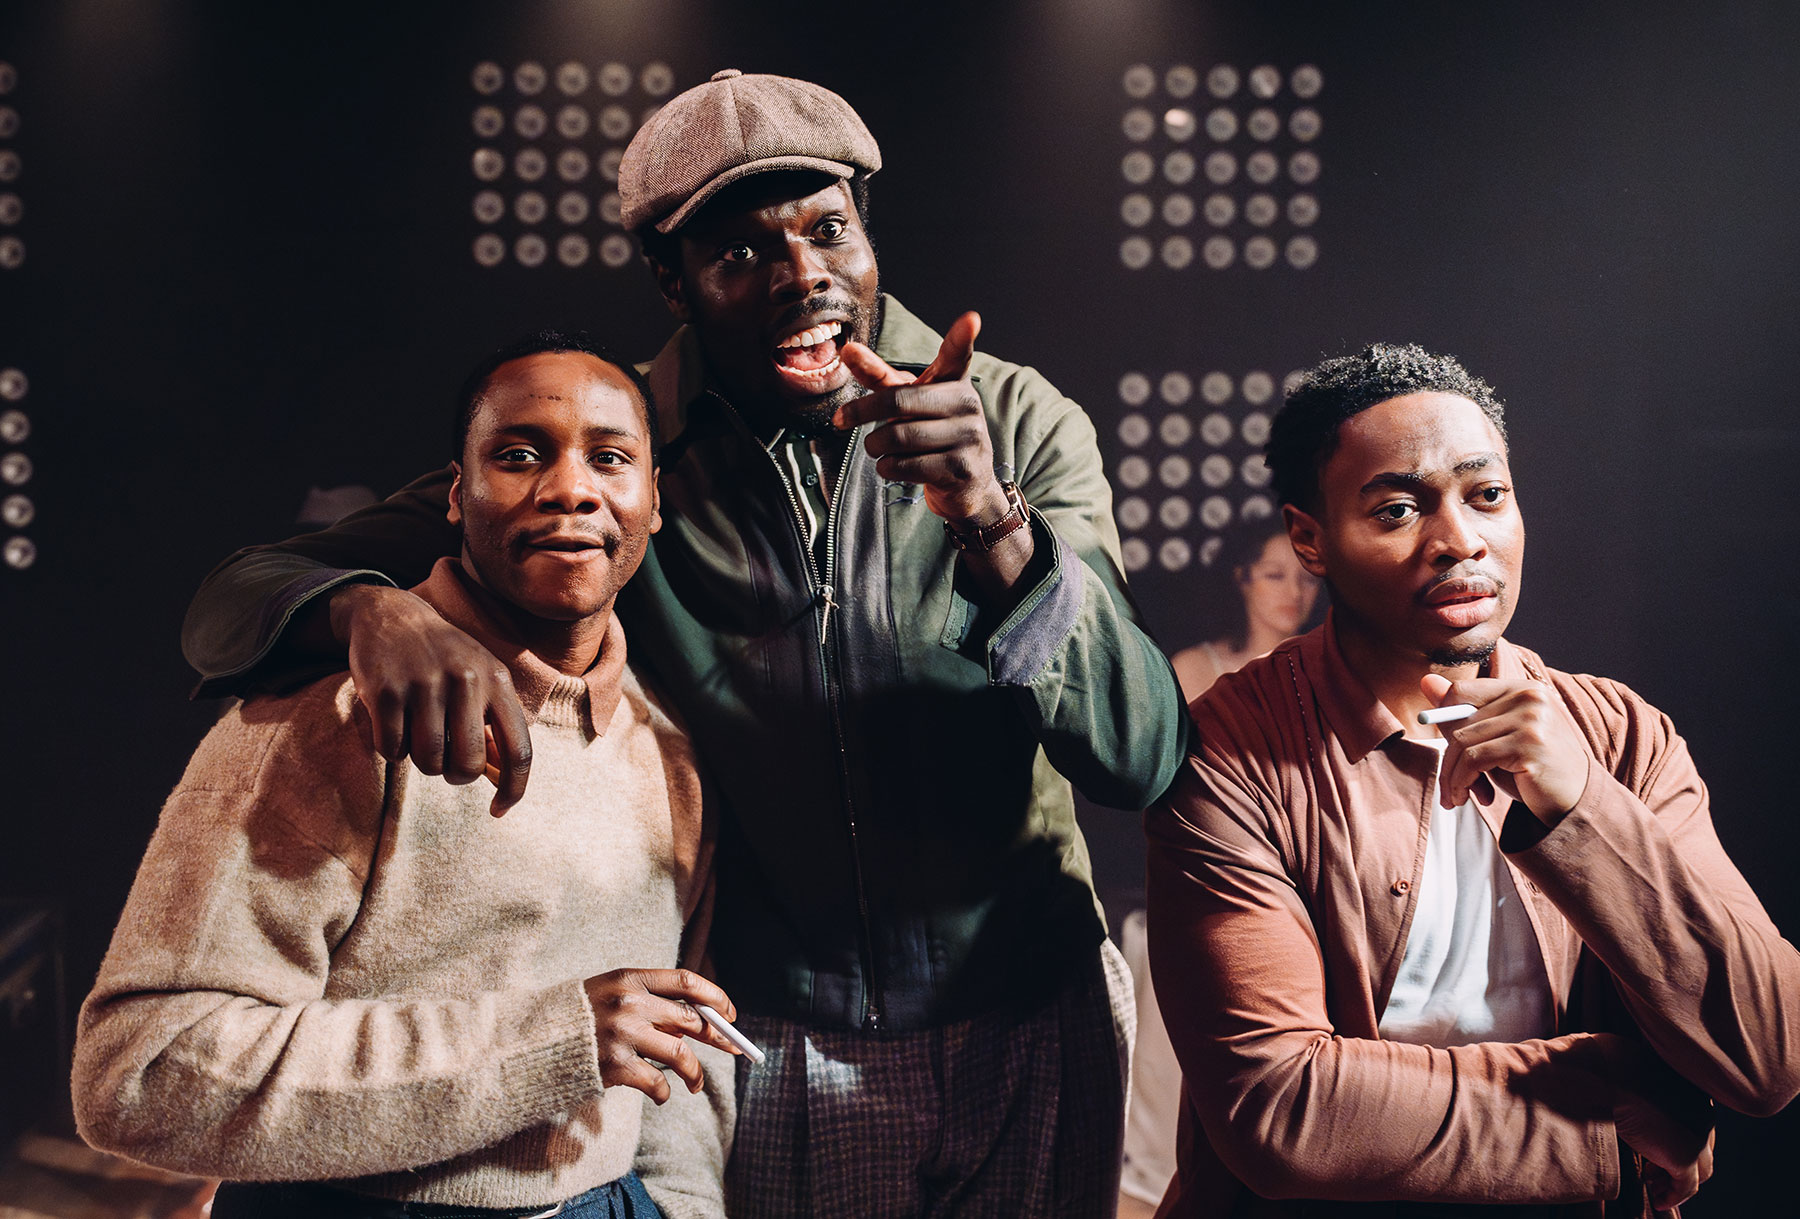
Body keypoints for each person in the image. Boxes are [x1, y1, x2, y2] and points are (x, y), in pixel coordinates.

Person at [178, 71, 1187, 1216]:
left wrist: (992, 520)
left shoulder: (1014, 421)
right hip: (778, 1039)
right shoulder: (618, 451)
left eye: (828, 230)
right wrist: (372, 609)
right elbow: (235, 598)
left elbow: (1140, 752)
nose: (802, 274)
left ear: (866, 226)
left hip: (1029, 1012)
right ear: (673, 280)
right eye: (743, 254)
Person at [74, 334, 744, 1219]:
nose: (572, 488)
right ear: (457, 497)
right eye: (518, 455)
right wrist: (553, 1041)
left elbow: (676, 1064)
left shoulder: (670, 752)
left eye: (610, 458)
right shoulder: (328, 720)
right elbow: (141, 1073)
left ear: (653, 501)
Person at [1144, 343, 1800, 1217]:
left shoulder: (1620, 736)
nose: (1460, 540)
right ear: (1311, 539)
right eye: (1399, 509)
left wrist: (1578, 804)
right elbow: (1280, 1106)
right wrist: (1607, 1112)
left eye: (1486, 495)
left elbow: (1769, 1055)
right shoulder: (1231, 748)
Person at [1168, 515, 1321, 704]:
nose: (1295, 592)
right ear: (1242, 579)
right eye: (1275, 576)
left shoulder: (1334, 668)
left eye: (1309, 580)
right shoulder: (1195, 668)